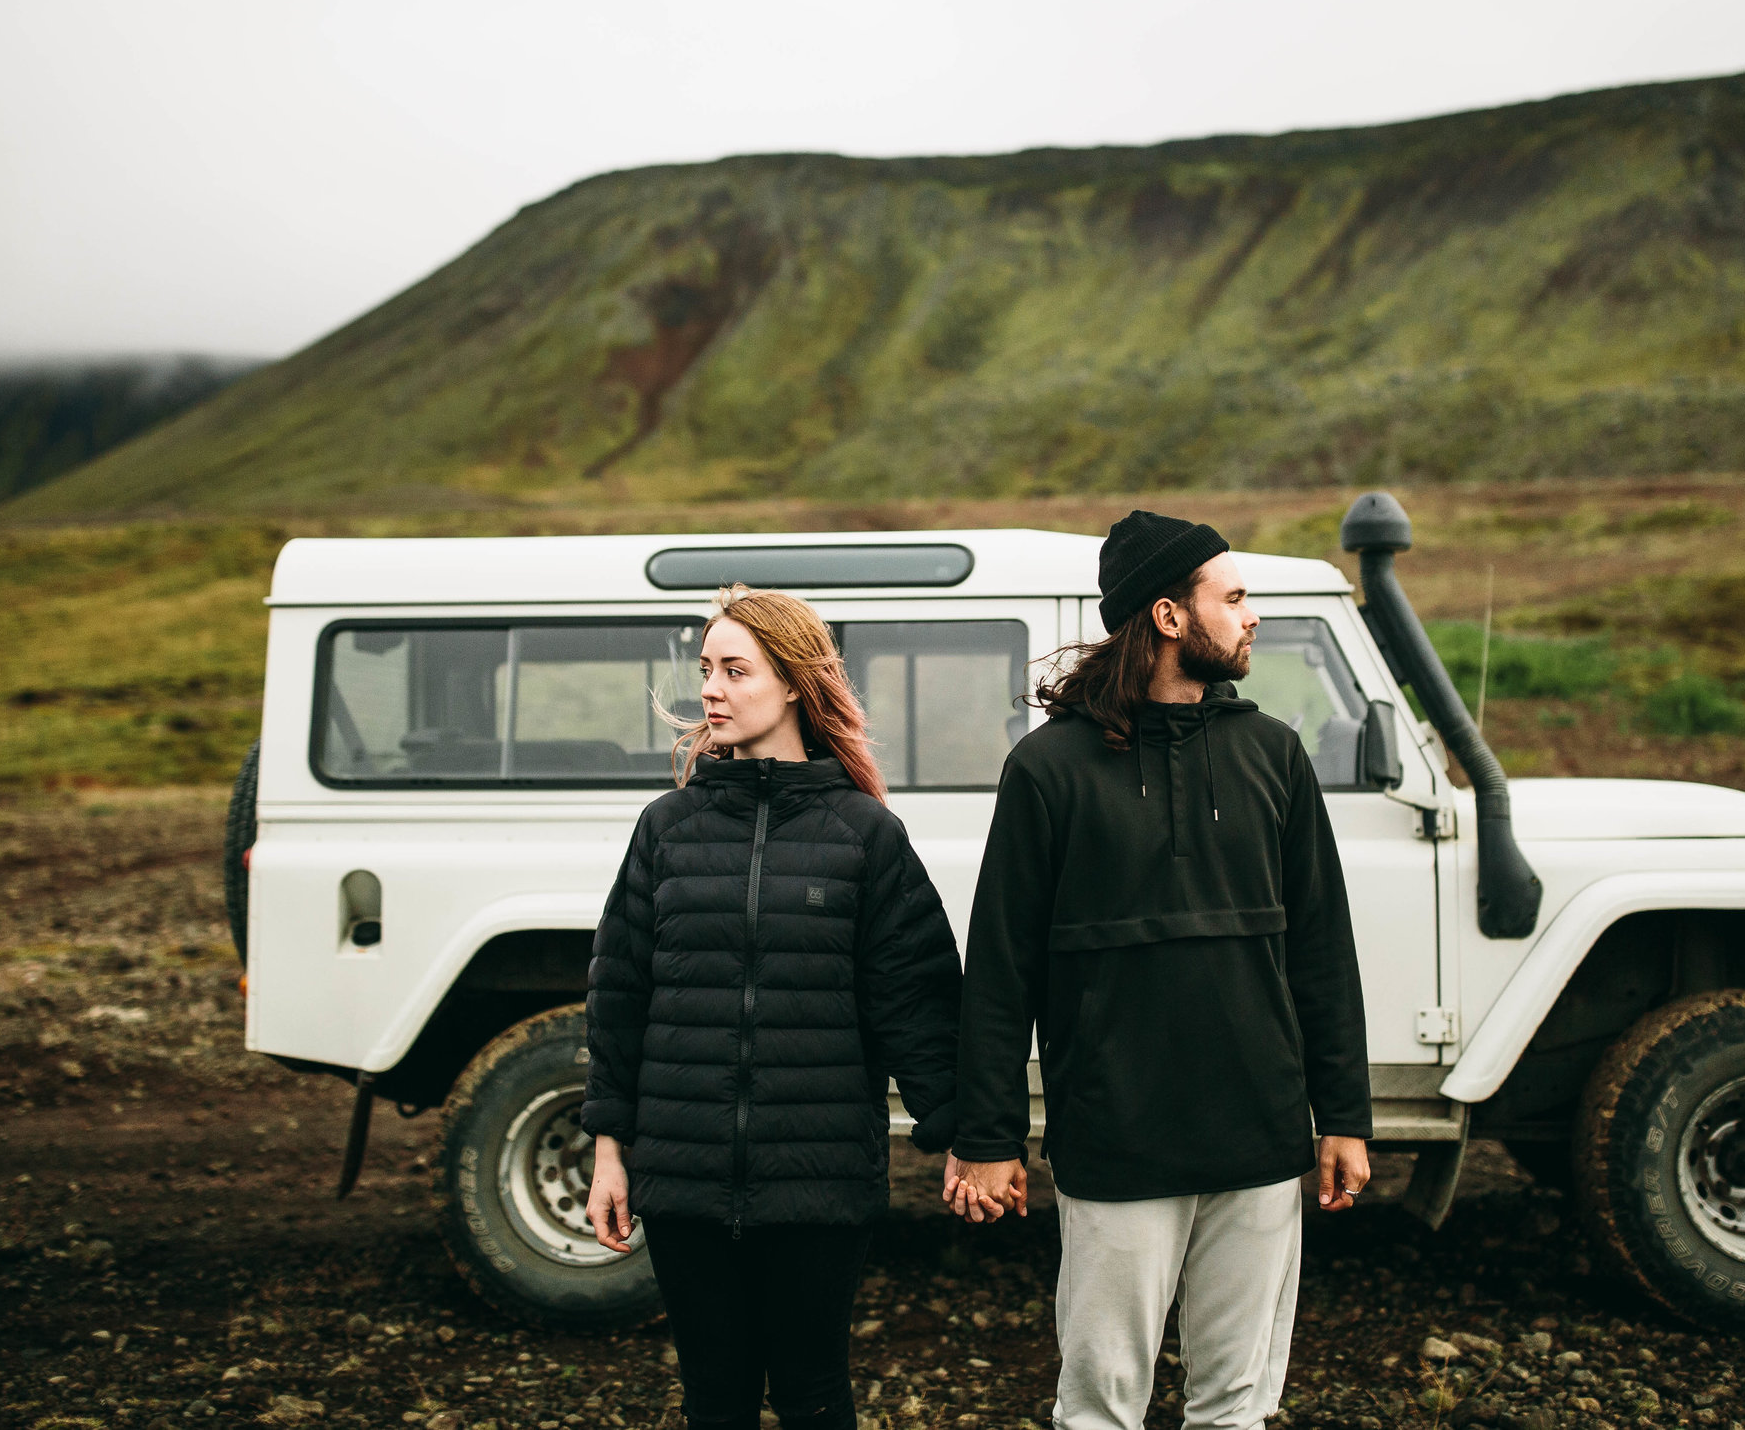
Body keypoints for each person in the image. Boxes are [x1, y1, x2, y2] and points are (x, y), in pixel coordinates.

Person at [946, 510, 1373, 1430]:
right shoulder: (1049, 769)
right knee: (1100, 1406)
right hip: (1116, 1140)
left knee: (1236, 1408)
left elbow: (1322, 952)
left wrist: (1343, 1117)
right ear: (1170, 615)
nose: (1253, 614)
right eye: (1235, 596)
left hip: (1260, 1139)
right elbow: (1001, 968)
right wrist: (988, 1136)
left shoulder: (1273, 753)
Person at [581, 586, 962, 1430]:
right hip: (683, 1178)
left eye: (734, 669)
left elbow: (919, 999)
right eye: (706, 669)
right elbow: (619, 996)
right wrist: (613, 1148)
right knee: (714, 1398)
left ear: (793, 681)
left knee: (812, 1393)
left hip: (818, 1179)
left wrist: (966, 1140)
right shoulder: (666, 829)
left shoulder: (864, 834)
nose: (710, 689)